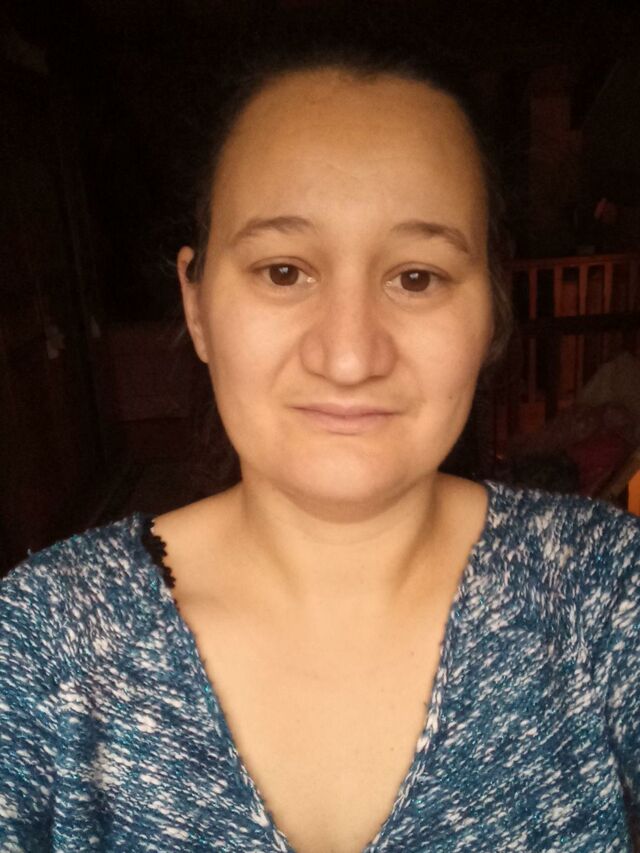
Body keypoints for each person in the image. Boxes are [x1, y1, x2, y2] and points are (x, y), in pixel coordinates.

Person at [1, 36, 640, 853]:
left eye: (416, 277)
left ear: (490, 314)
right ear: (196, 305)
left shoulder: (603, 595)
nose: (348, 356)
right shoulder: (46, 640)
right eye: (283, 272)